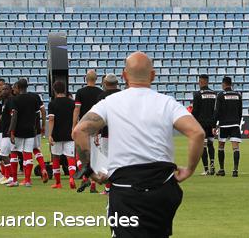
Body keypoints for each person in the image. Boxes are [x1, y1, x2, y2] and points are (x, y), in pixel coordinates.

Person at [72, 52, 204, 238]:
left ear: (125, 76)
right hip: (163, 186)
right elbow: (197, 133)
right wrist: (189, 169)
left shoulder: (110, 103)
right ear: (153, 75)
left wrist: (89, 170)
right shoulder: (167, 103)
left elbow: (79, 131)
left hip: (126, 189)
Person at [9, 78, 47, 186]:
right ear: (27, 86)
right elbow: (37, 115)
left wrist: (12, 131)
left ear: (18, 87)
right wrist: (36, 128)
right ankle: (27, 180)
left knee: (14, 153)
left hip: (18, 130)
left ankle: (15, 180)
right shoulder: (33, 98)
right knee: (27, 154)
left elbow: (14, 116)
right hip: (31, 130)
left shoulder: (15, 100)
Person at [73, 69, 103, 193]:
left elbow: (77, 110)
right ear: (96, 79)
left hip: (83, 128)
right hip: (96, 127)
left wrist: (74, 126)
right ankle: (92, 185)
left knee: (80, 154)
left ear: (86, 79)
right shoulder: (100, 93)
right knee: (95, 156)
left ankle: (85, 177)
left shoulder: (80, 92)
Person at [47, 80, 77, 190]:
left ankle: (58, 183)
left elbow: (51, 119)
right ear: (65, 89)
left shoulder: (52, 104)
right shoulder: (72, 103)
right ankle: (72, 178)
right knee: (70, 157)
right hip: (69, 134)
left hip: (57, 134)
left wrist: (49, 134)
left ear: (54, 90)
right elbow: (75, 118)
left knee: (56, 158)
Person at [96, 73, 121, 194]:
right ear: (117, 83)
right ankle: (120, 185)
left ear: (105, 84)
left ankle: (108, 188)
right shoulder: (123, 95)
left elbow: (99, 117)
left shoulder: (101, 96)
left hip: (106, 132)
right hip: (122, 132)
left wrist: (96, 133)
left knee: (107, 161)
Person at [213, 76, 243, 177]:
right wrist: (237, 122)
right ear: (231, 84)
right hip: (234, 124)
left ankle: (221, 169)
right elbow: (240, 111)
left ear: (224, 84)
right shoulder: (238, 95)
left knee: (221, 146)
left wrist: (214, 125)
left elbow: (217, 111)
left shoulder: (220, 95)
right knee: (235, 147)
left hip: (224, 124)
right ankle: (235, 170)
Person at [190, 74, 217, 176]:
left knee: (203, 146)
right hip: (211, 123)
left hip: (201, 123)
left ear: (201, 82)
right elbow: (216, 110)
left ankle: (206, 169)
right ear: (208, 82)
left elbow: (195, 110)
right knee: (211, 144)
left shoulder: (197, 94)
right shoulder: (214, 94)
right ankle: (212, 165)